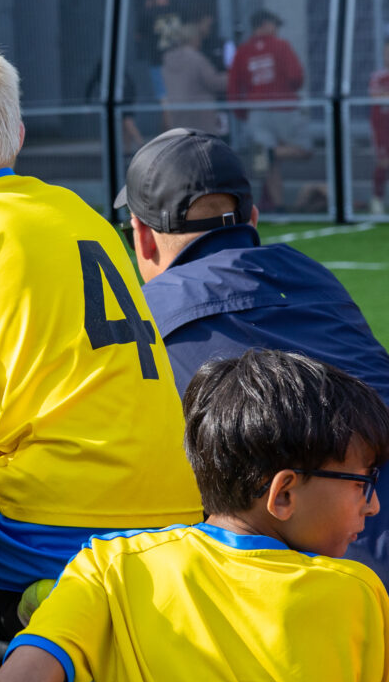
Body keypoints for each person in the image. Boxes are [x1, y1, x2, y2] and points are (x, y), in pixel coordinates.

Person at [0, 38, 201, 640]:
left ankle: (35, 609)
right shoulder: (82, 214)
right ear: (17, 136)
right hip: (181, 502)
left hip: (55, 516)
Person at [0, 351, 389, 682]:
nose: (372, 506)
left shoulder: (113, 566)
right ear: (282, 494)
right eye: (363, 483)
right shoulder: (359, 595)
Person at [118, 126, 389, 580]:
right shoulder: (313, 275)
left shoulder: (145, 319)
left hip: (334, 575)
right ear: (254, 219)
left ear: (143, 238)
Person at [227, 8, 307, 209]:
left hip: (256, 111)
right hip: (283, 107)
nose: (277, 29)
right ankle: (276, 202)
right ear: (265, 25)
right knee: (305, 149)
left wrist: (242, 113)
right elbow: (296, 77)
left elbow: (234, 86)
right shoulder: (281, 46)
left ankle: (278, 205)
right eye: (275, 24)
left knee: (267, 159)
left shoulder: (242, 51)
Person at [156, 13, 224, 134]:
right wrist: (232, 76)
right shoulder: (196, 58)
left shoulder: (167, 61)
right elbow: (213, 82)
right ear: (194, 38)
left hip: (176, 111)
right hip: (200, 113)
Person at [369, 36, 389, 216]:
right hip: (382, 126)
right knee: (383, 162)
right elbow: (376, 96)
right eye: (386, 52)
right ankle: (377, 199)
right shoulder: (379, 76)